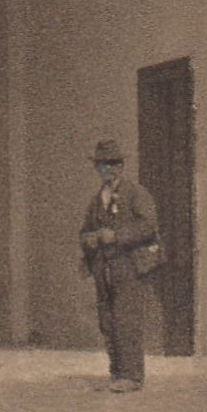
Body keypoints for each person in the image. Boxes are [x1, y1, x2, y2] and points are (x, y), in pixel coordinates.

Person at [79, 139, 161, 392]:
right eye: (102, 164)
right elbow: (84, 231)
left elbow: (148, 225)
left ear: (122, 166)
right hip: (104, 267)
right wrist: (89, 240)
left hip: (129, 265)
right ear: (97, 168)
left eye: (113, 163)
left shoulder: (136, 193)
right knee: (108, 320)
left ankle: (132, 375)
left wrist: (117, 236)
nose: (108, 169)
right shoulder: (97, 200)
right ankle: (116, 371)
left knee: (127, 319)